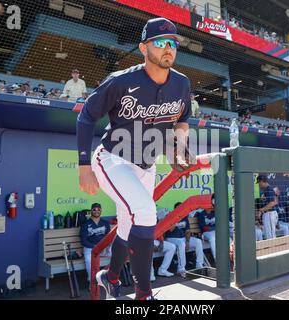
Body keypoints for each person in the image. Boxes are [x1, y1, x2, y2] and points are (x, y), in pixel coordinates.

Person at [77, 17, 191, 300]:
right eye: (161, 42)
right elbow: (86, 116)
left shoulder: (182, 83)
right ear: (143, 47)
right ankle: (144, 295)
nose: (169, 48)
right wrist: (83, 166)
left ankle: (109, 276)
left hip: (146, 165)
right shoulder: (121, 81)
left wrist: (180, 145)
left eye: (173, 43)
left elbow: (183, 119)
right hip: (112, 159)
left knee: (129, 225)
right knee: (146, 212)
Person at [165, 202, 205, 277]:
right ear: (175, 209)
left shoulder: (184, 217)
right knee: (181, 244)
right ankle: (181, 269)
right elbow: (170, 229)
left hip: (182, 238)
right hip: (171, 238)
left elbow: (187, 231)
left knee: (198, 241)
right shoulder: (170, 216)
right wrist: (176, 218)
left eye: (181, 208)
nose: (180, 209)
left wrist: (187, 241)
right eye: (178, 208)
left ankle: (199, 265)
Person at [80, 203, 111, 287]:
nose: (96, 211)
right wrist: (94, 247)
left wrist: (106, 246)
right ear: (91, 211)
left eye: (98, 209)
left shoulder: (105, 223)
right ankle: (92, 281)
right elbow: (83, 241)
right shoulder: (85, 224)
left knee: (117, 255)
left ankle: (109, 278)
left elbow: (109, 237)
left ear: (101, 211)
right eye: (94, 209)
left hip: (103, 248)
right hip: (91, 248)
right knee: (88, 260)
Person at [257, 175, 278, 240]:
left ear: (263, 181)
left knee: (270, 236)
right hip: (268, 214)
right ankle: (271, 248)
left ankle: (273, 249)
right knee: (268, 234)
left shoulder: (269, 189)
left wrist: (261, 210)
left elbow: (273, 203)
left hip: (270, 214)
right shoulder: (266, 189)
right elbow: (275, 201)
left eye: (259, 182)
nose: (259, 184)